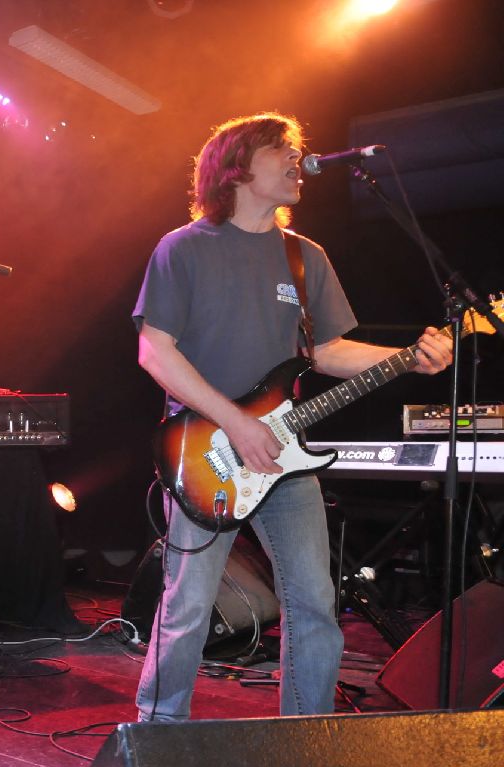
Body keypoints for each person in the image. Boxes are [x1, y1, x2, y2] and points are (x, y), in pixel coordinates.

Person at [131, 112, 453, 721]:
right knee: (188, 607)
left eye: (295, 148)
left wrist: (409, 357)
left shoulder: (305, 257)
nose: (296, 160)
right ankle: (155, 734)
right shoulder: (184, 248)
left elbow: (326, 351)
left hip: (284, 455)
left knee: (314, 604)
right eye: (280, 148)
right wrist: (236, 422)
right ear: (236, 167)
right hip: (204, 455)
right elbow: (155, 351)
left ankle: (304, 737)